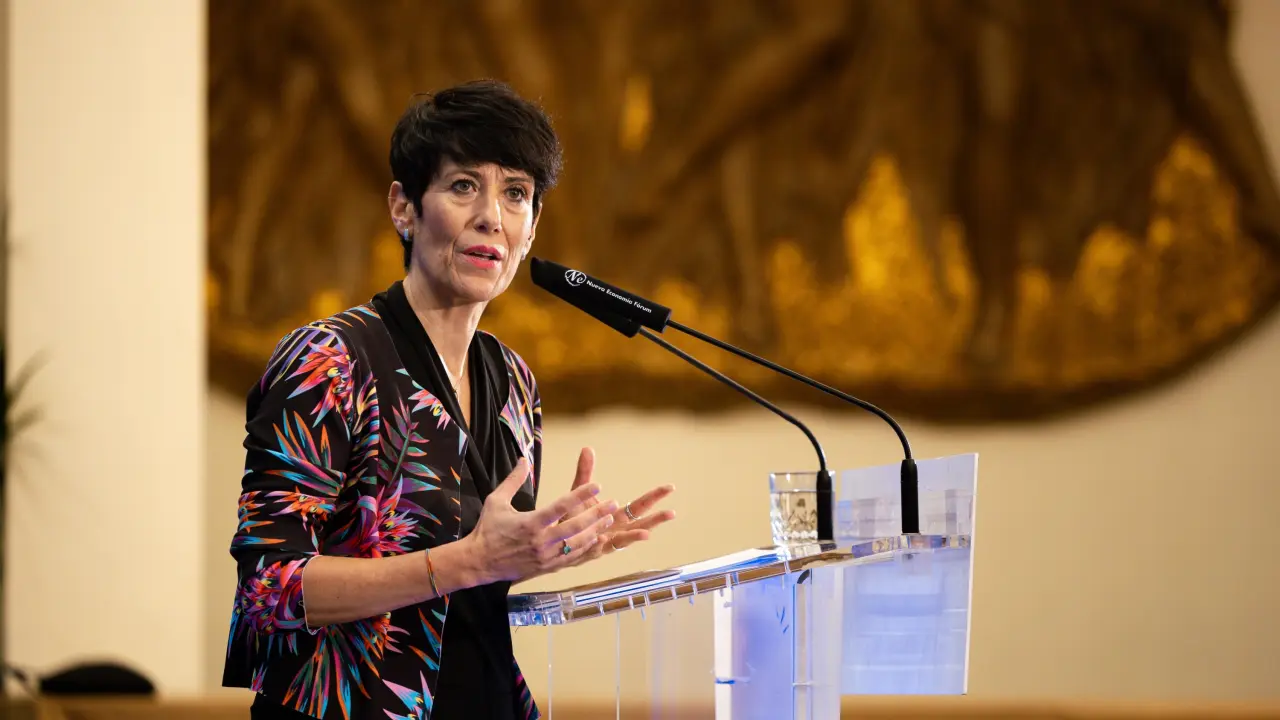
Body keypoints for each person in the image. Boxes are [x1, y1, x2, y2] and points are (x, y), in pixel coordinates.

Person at [221, 79, 676, 720]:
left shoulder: (513, 381)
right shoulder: (331, 360)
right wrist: (473, 560)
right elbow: (269, 592)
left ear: (532, 228)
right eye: (464, 186)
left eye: (515, 193)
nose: (492, 216)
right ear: (403, 208)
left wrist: (548, 548)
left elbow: (469, 576)